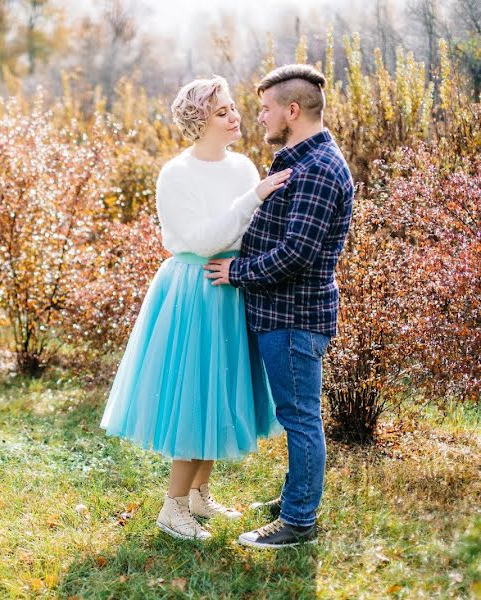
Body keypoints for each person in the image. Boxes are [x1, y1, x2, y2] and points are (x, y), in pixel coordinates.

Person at [100, 76, 291, 541]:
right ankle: (172, 508)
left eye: (232, 108)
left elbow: (248, 234)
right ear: (199, 120)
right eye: (222, 111)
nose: (235, 116)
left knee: (220, 392)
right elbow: (204, 240)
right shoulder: (177, 174)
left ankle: (199, 494)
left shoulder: (245, 168)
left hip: (232, 285)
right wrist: (255, 197)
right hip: (194, 290)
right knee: (194, 394)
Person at [204, 64, 355, 549]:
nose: (260, 116)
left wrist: (236, 273)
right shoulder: (295, 159)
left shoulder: (318, 170)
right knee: (297, 415)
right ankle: (297, 497)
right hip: (282, 315)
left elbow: (297, 254)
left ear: (292, 110)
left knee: (301, 418)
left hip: (295, 318)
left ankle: (299, 522)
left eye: (267, 108)